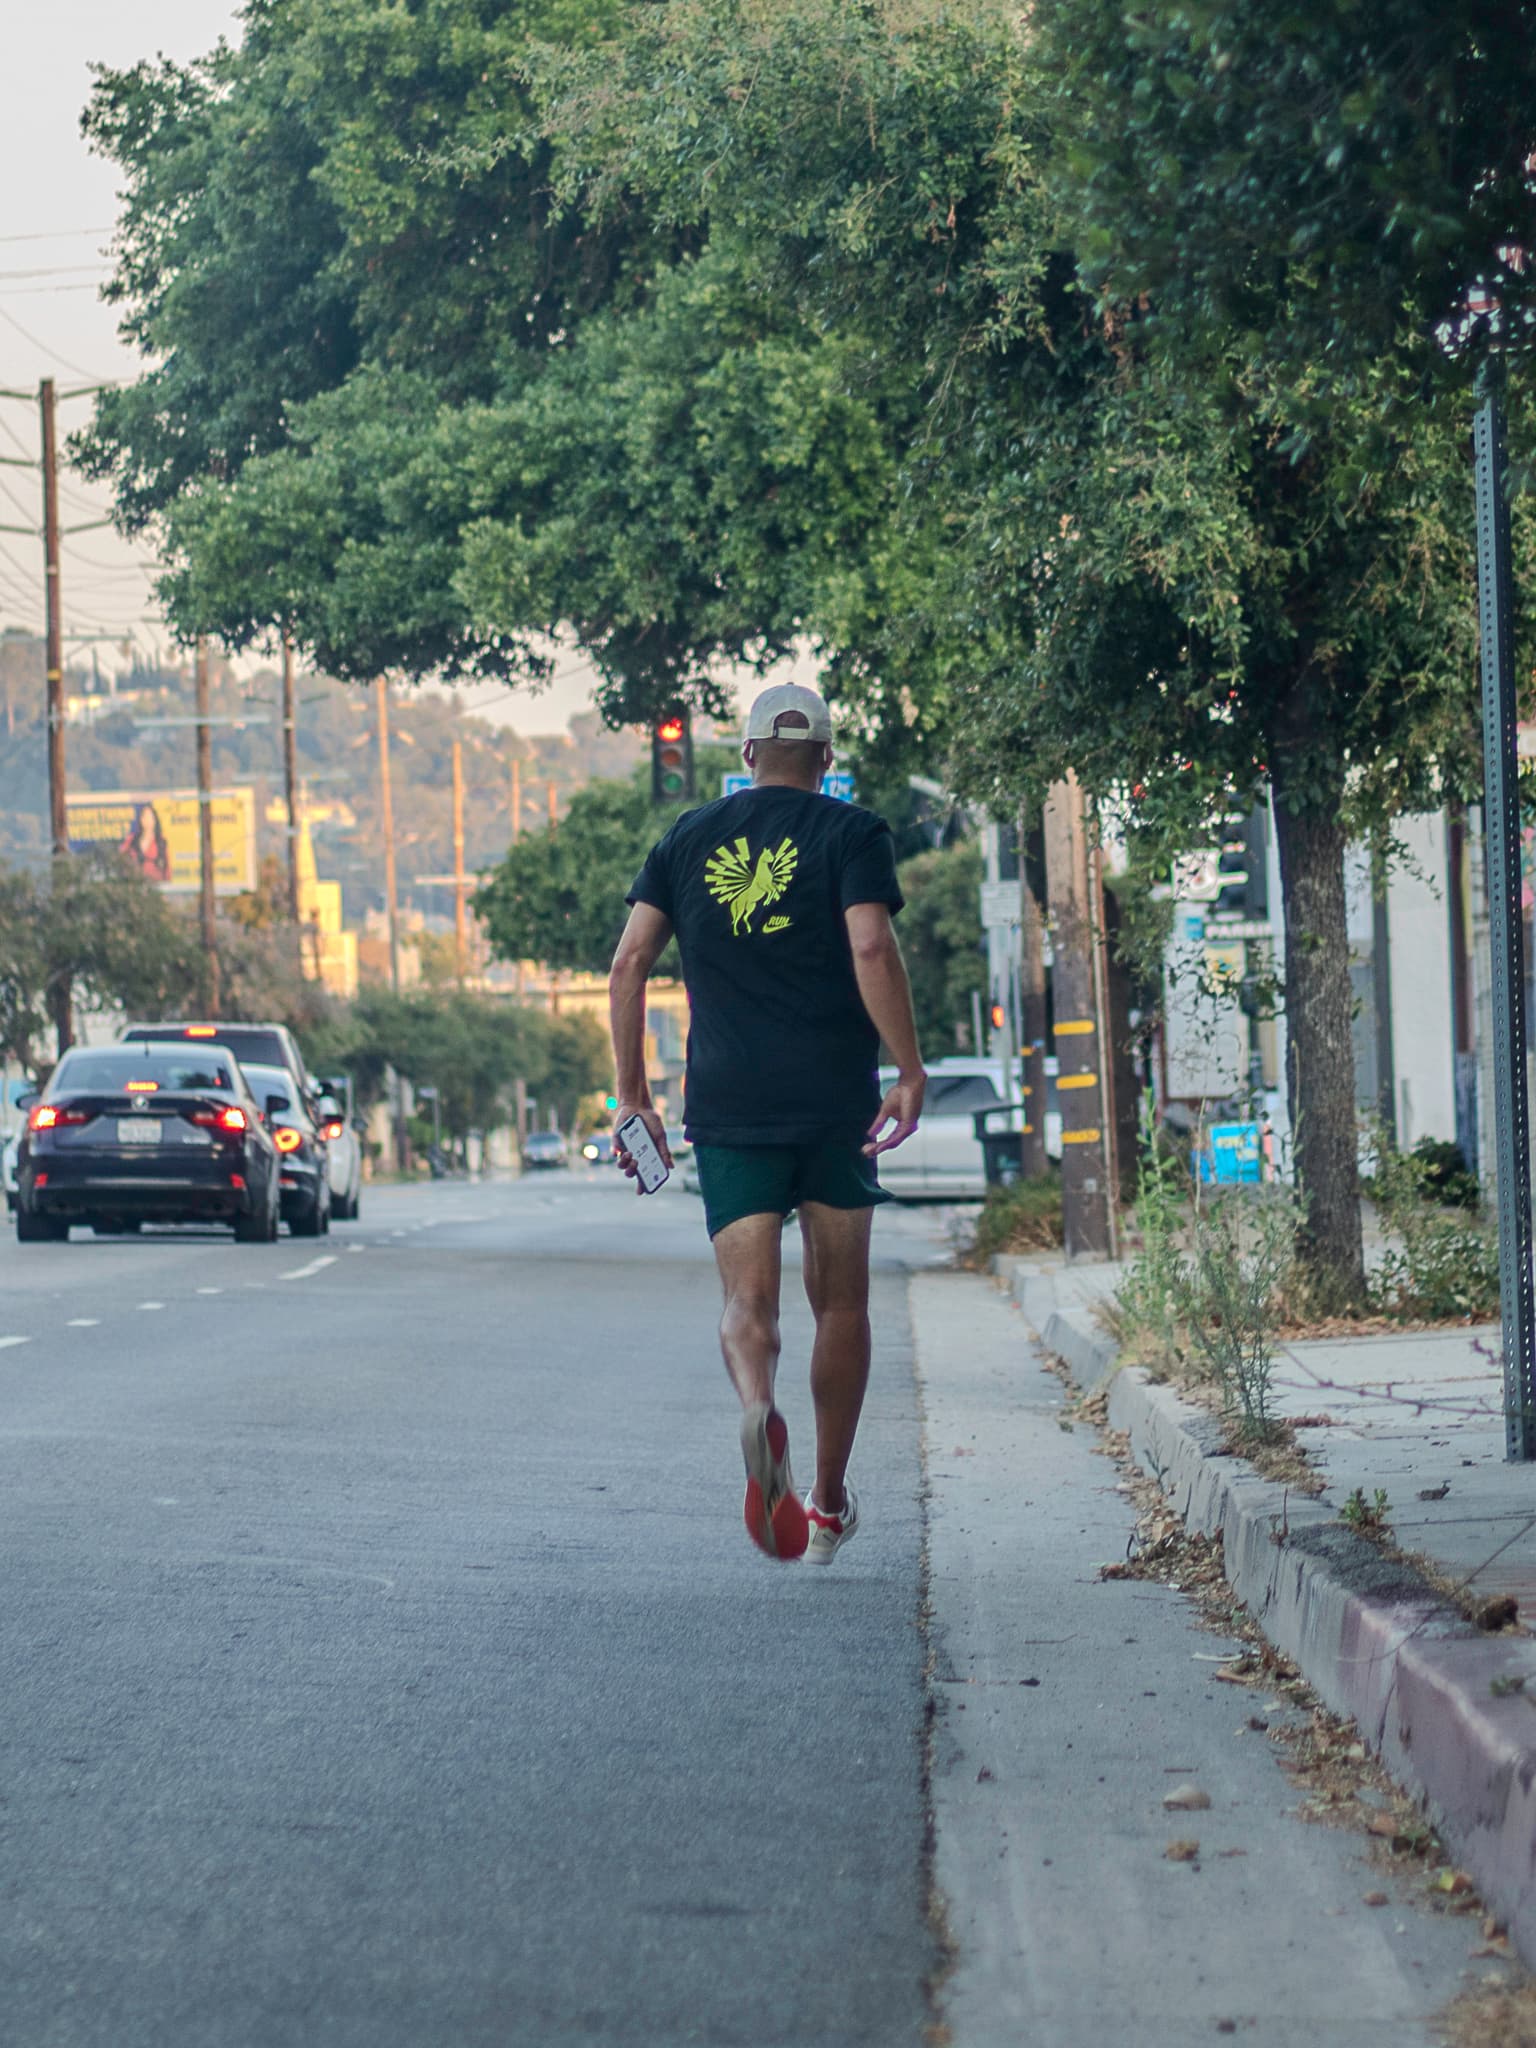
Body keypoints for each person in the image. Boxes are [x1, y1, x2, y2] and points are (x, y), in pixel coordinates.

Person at [609, 683, 926, 1565]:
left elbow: (629, 963)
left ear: (747, 757)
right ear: (826, 761)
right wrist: (906, 1066)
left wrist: (633, 1096)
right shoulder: (853, 832)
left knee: (748, 1303)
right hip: (834, 1101)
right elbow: (870, 945)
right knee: (842, 1303)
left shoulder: (685, 837)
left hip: (731, 1101)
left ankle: (757, 1404)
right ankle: (826, 1499)